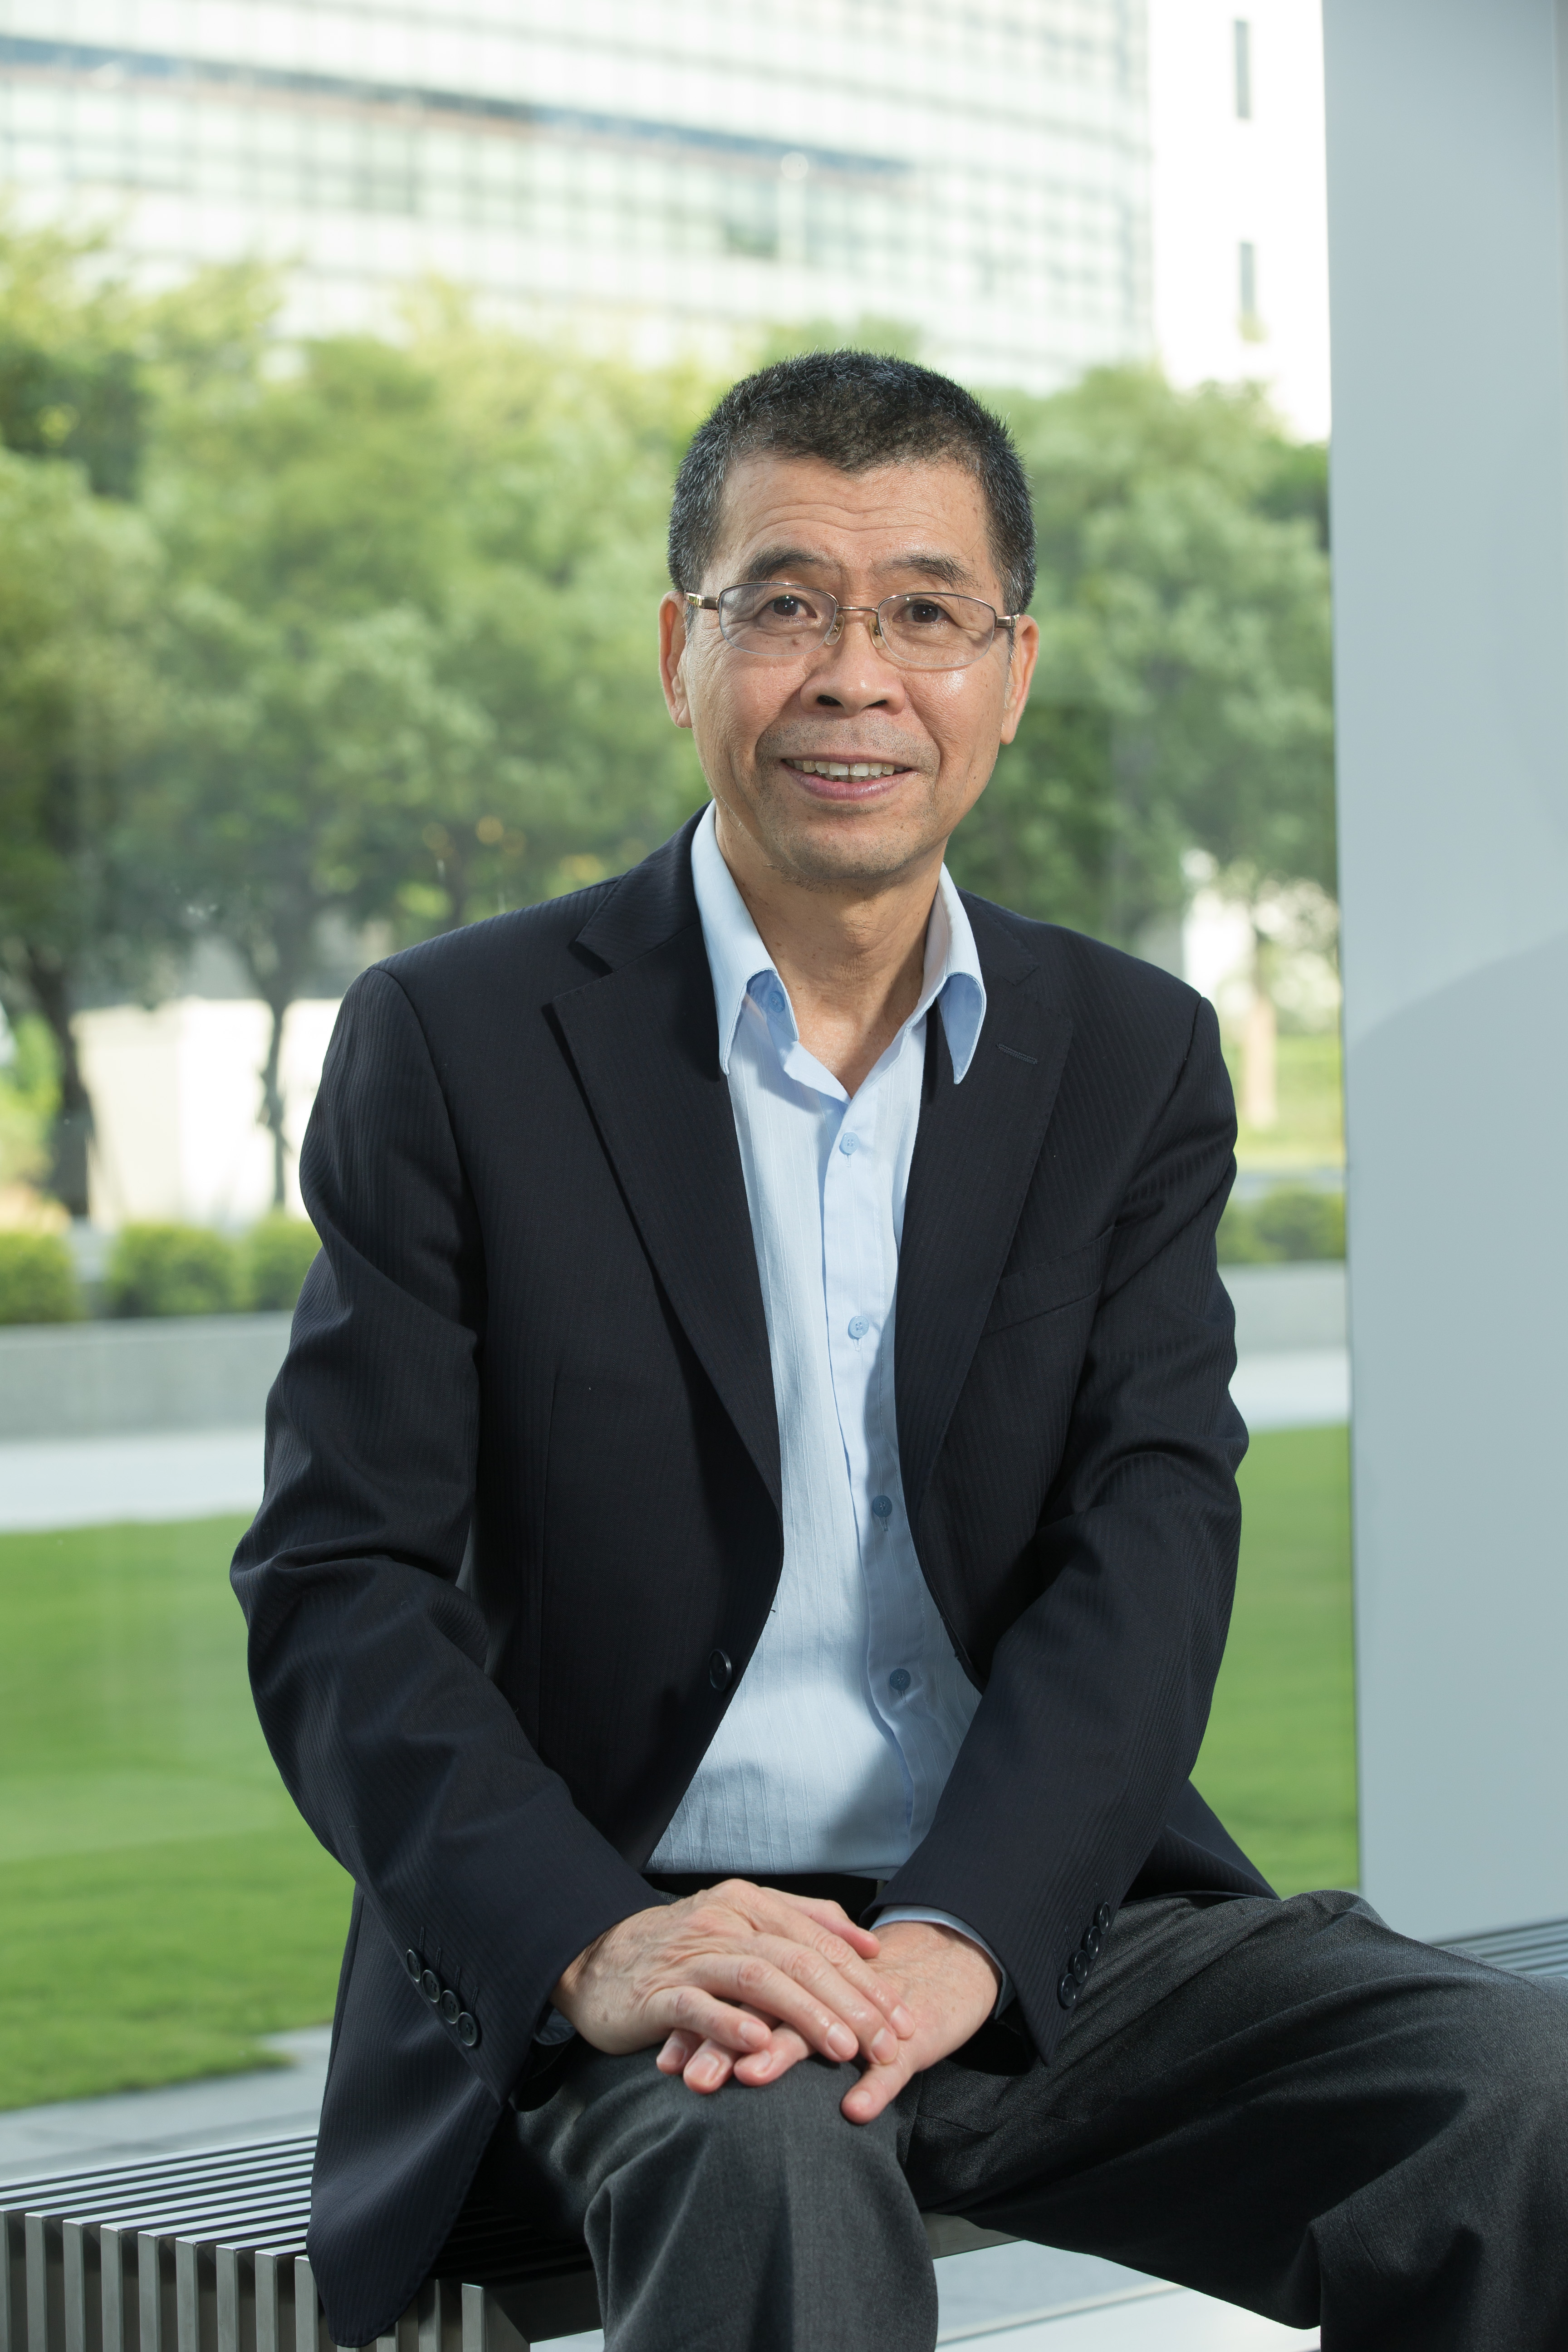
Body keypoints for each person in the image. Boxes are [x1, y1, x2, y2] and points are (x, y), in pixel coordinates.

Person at [233, 353, 1568, 2352]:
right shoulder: (460, 1045)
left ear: (1010, 673)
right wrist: (594, 1942)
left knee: (1524, 2104)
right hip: (656, 1936)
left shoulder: (1128, 1055)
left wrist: (967, 1933)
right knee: (768, 2163)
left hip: (1042, 1920)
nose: (856, 676)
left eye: (927, 612)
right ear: (681, 651)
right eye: (786, 603)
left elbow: (1151, 1539)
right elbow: (341, 1583)